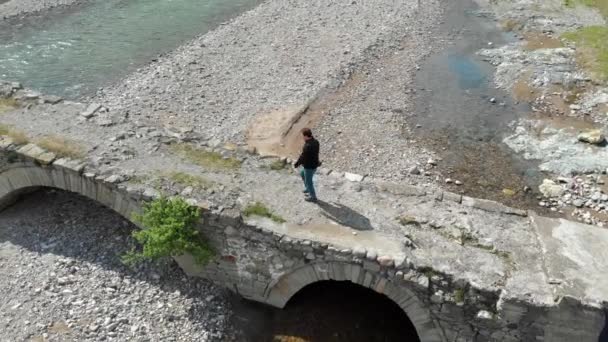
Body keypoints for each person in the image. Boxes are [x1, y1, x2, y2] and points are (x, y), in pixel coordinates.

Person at [294, 128, 320, 203]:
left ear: (306, 136)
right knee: (302, 174)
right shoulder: (316, 142)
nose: (302, 137)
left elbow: (303, 156)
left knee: (309, 181)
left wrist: (297, 164)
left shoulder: (307, 146)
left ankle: (313, 197)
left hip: (309, 167)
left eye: (303, 136)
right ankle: (308, 189)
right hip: (314, 164)